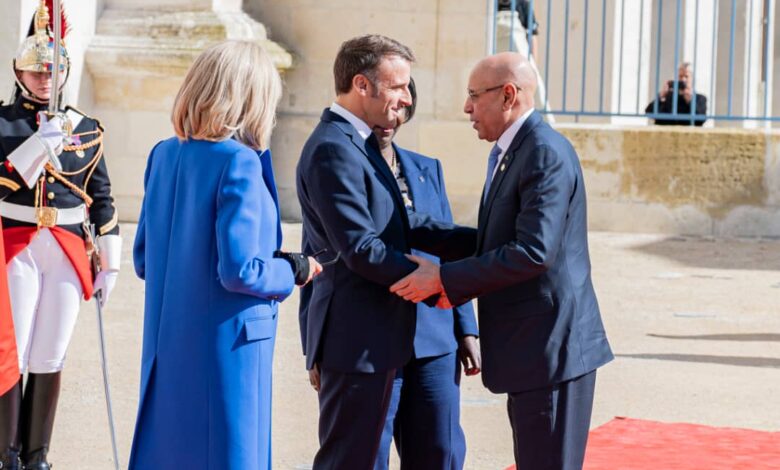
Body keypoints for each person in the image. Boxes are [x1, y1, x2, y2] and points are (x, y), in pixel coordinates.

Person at [390, 52, 614, 470]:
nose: (467, 107)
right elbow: (495, 241)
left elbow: (533, 251)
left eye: (475, 95)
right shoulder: (516, 151)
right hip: (533, 349)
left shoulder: (542, 152)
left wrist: (444, 280)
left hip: (552, 351)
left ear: (508, 95)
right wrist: (407, 225)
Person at [128, 40, 322, 470]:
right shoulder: (239, 162)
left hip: (168, 343)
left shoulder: (164, 154)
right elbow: (241, 271)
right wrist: (294, 269)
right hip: (228, 346)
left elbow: (143, 259)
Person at [296, 35, 476, 470]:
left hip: (420, 341)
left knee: (440, 456)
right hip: (365, 342)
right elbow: (361, 248)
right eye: (397, 86)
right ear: (361, 84)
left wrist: (491, 241)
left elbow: (408, 225)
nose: (407, 98)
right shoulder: (332, 148)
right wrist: (440, 285)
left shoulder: (360, 145)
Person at [0, 2, 121, 469]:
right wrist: (38, 147)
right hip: (18, 244)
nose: (45, 80)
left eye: (52, 72)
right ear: (19, 72)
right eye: (36, 72)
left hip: (67, 247)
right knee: (11, 351)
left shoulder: (85, 128)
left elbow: (102, 197)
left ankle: (37, 456)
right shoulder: (4, 123)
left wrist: (110, 262)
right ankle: (7, 454)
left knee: (50, 353)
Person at [494, 0, 553, 119]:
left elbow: (532, 37)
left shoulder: (523, 4)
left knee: (536, 94)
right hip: (496, 62)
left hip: (520, 60)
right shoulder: (489, 5)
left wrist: (532, 66)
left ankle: (545, 122)